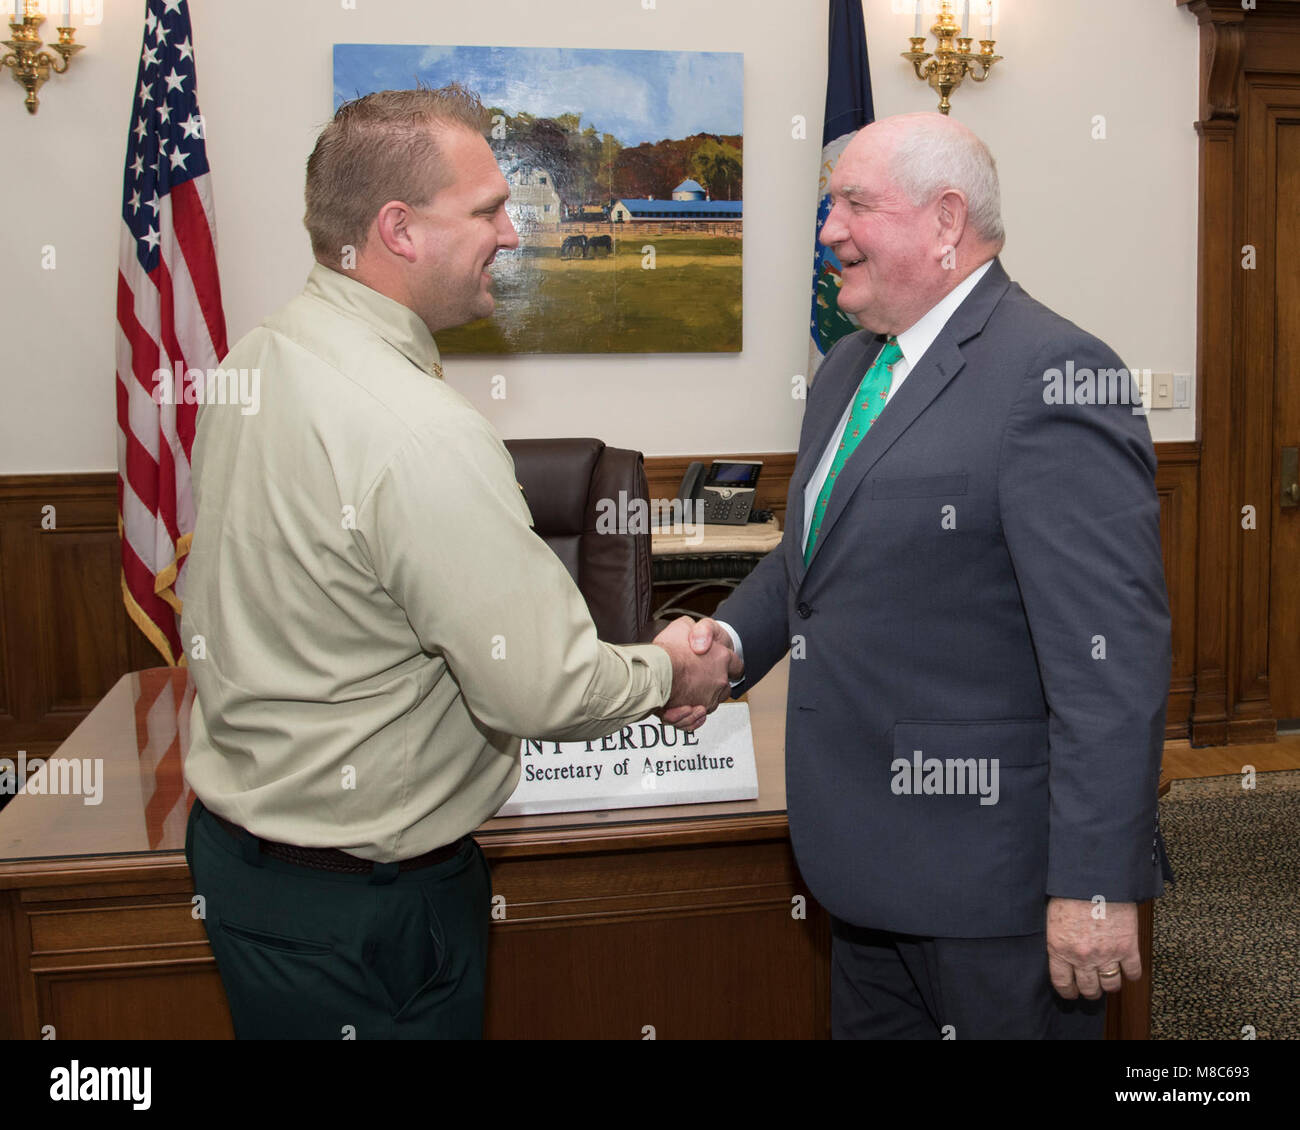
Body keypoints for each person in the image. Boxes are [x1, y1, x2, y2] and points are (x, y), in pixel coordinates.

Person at [181, 85, 739, 1040]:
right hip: (369, 912)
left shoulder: (262, 357)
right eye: (487, 210)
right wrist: (674, 668)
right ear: (399, 230)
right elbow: (543, 688)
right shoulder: (414, 429)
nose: (514, 235)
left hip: (252, 868)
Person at [676, 112, 1173, 1040]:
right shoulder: (851, 370)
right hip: (862, 866)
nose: (828, 231)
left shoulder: (1057, 374)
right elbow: (812, 561)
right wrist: (726, 645)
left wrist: (1095, 882)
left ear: (947, 221)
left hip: (998, 888)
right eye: (830, 207)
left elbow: (1112, 666)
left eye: (853, 204)